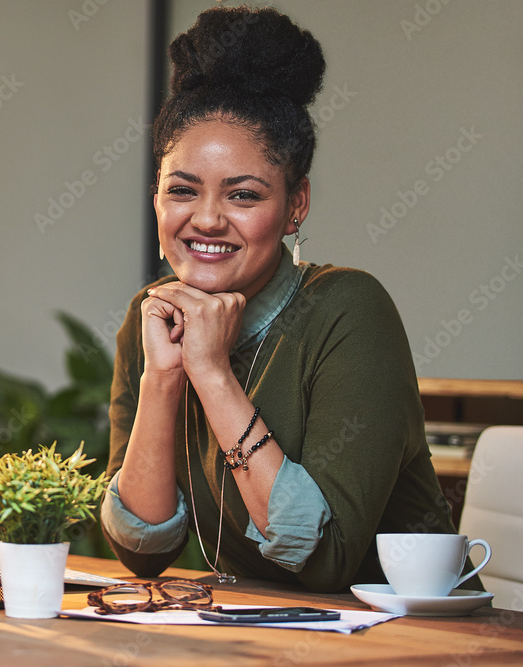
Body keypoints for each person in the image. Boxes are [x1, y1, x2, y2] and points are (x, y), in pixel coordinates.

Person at [100, 6, 461, 593]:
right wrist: (163, 379)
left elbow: (323, 559)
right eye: (182, 191)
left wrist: (213, 374)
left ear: (297, 204)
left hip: (402, 642)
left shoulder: (349, 309)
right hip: (256, 633)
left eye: (243, 195)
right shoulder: (157, 314)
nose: (207, 220)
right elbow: (141, 548)